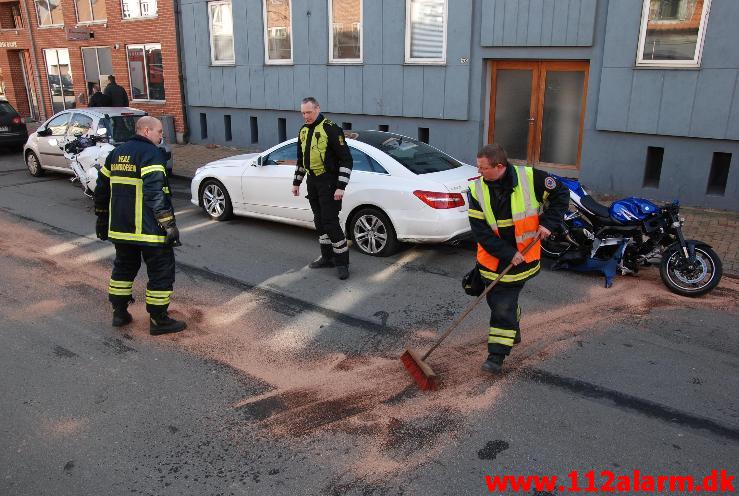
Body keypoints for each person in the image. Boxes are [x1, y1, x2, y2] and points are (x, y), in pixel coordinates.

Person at [467, 144, 568, 373]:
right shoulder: (476, 191)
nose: (478, 171)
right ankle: (512, 324)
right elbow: (480, 231)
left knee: (502, 307)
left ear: (499, 166)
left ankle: (496, 357)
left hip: (523, 260)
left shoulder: (530, 178)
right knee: (497, 303)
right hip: (492, 260)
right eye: (478, 166)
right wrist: (507, 253)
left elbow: (561, 193)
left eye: (483, 168)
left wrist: (549, 223)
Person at [94, 116, 186, 335]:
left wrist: (101, 218)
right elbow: (155, 193)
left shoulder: (116, 154)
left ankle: (119, 313)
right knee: (161, 272)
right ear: (146, 131)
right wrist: (169, 225)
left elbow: (101, 189)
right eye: (159, 131)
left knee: (123, 268)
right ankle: (158, 320)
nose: (161, 135)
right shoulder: (151, 154)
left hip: (121, 229)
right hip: (149, 230)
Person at [292, 97, 353, 280]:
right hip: (313, 182)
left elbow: (346, 159)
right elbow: (301, 160)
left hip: (330, 182)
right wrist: (297, 182)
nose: (306, 116)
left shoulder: (331, 128)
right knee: (319, 221)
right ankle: (327, 258)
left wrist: (340, 186)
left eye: (309, 112)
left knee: (330, 222)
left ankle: (342, 262)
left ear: (317, 109)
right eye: (303, 113)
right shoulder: (303, 131)